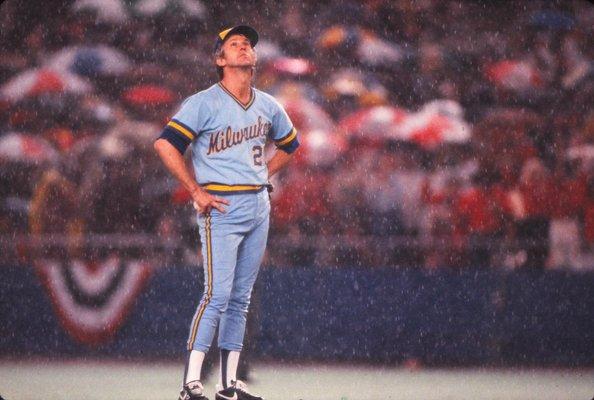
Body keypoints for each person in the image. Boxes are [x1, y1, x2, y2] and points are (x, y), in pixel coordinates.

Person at [154, 25, 299, 400]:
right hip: (220, 205)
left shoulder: (268, 103)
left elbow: (290, 144)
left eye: (248, 44)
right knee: (216, 295)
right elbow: (166, 145)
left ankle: (229, 386)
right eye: (235, 44)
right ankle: (190, 384)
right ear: (220, 59)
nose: (244, 48)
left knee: (241, 298)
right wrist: (195, 190)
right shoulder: (203, 102)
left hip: (257, 203)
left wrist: (262, 174)